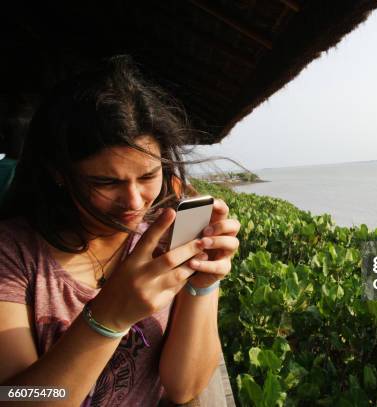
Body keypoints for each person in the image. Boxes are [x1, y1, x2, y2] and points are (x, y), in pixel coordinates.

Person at [0, 56, 240, 406]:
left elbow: (184, 387)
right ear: (59, 174)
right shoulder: (13, 255)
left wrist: (202, 287)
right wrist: (108, 318)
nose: (134, 200)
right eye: (105, 181)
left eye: (147, 176)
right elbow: (13, 397)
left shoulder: (162, 240)